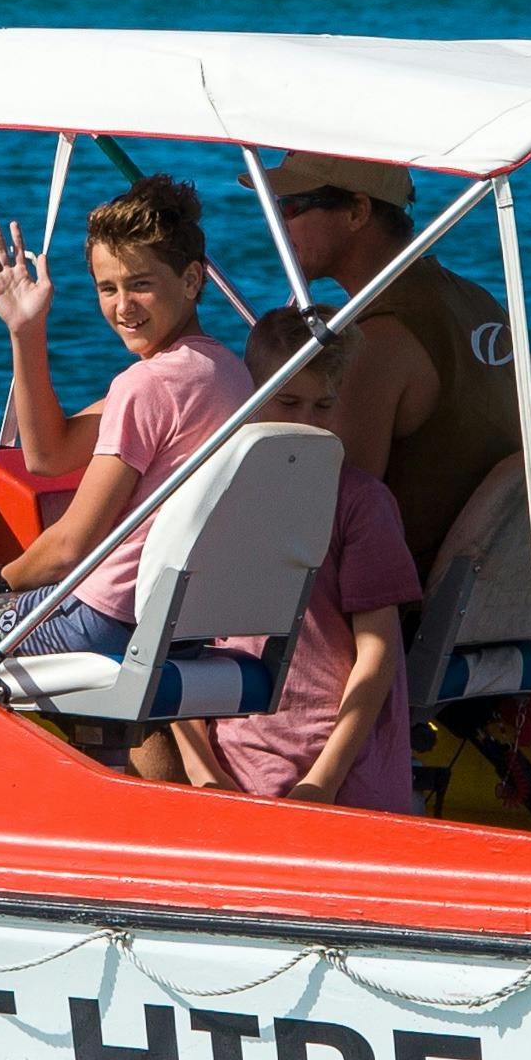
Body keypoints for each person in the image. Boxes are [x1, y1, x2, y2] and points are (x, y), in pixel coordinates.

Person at [0, 176, 255, 675]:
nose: (122, 307)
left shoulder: (149, 384)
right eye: (107, 288)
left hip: (105, 617)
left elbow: (71, 547)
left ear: (193, 281)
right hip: (180, 627)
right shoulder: (226, 372)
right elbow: (48, 455)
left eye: (141, 285)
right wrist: (26, 331)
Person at [256, 152, 531, 569]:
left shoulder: (379, 337)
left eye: (289, 208)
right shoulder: (474, 300)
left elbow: (331, 518)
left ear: (357, 211)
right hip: (507, 590)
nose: (277, 225)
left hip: (415, 608)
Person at [175, 308, 424, 810]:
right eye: (287, 402)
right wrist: (203, 771)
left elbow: (377, 657)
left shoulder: (359, 502)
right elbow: (170, 644)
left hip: (347, 773)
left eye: (323, 406)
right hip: (238, 765)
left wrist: (323, 782)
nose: (305, 422)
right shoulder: (209, 495)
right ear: (252, 396)